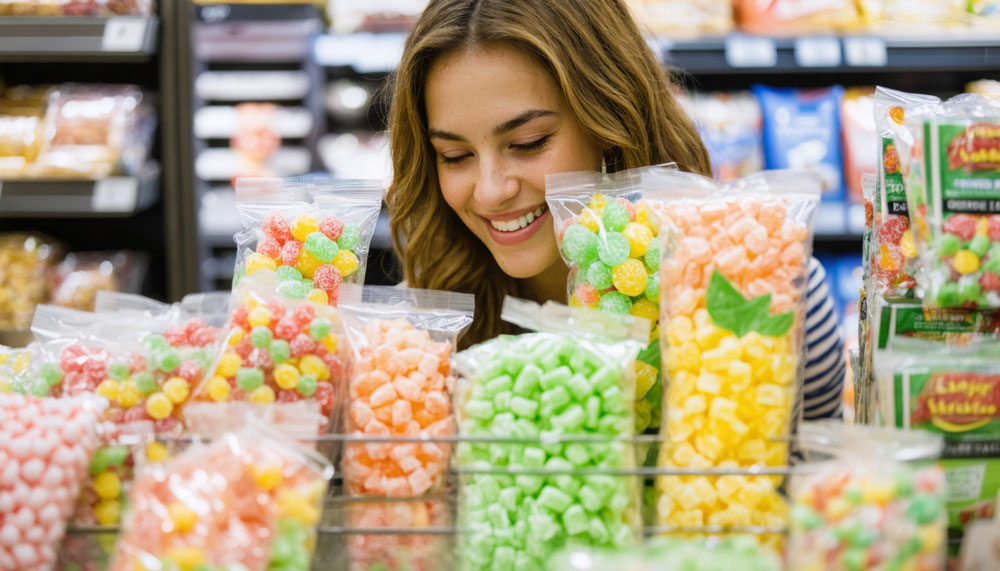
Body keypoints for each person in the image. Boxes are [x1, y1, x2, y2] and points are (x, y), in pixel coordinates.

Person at [384, 0, 844, 419]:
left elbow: (818, 500)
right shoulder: (413, 338)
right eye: (454, 156)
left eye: (528, 143)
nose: (490, 191)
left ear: (611, 120)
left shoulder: (776, 301)